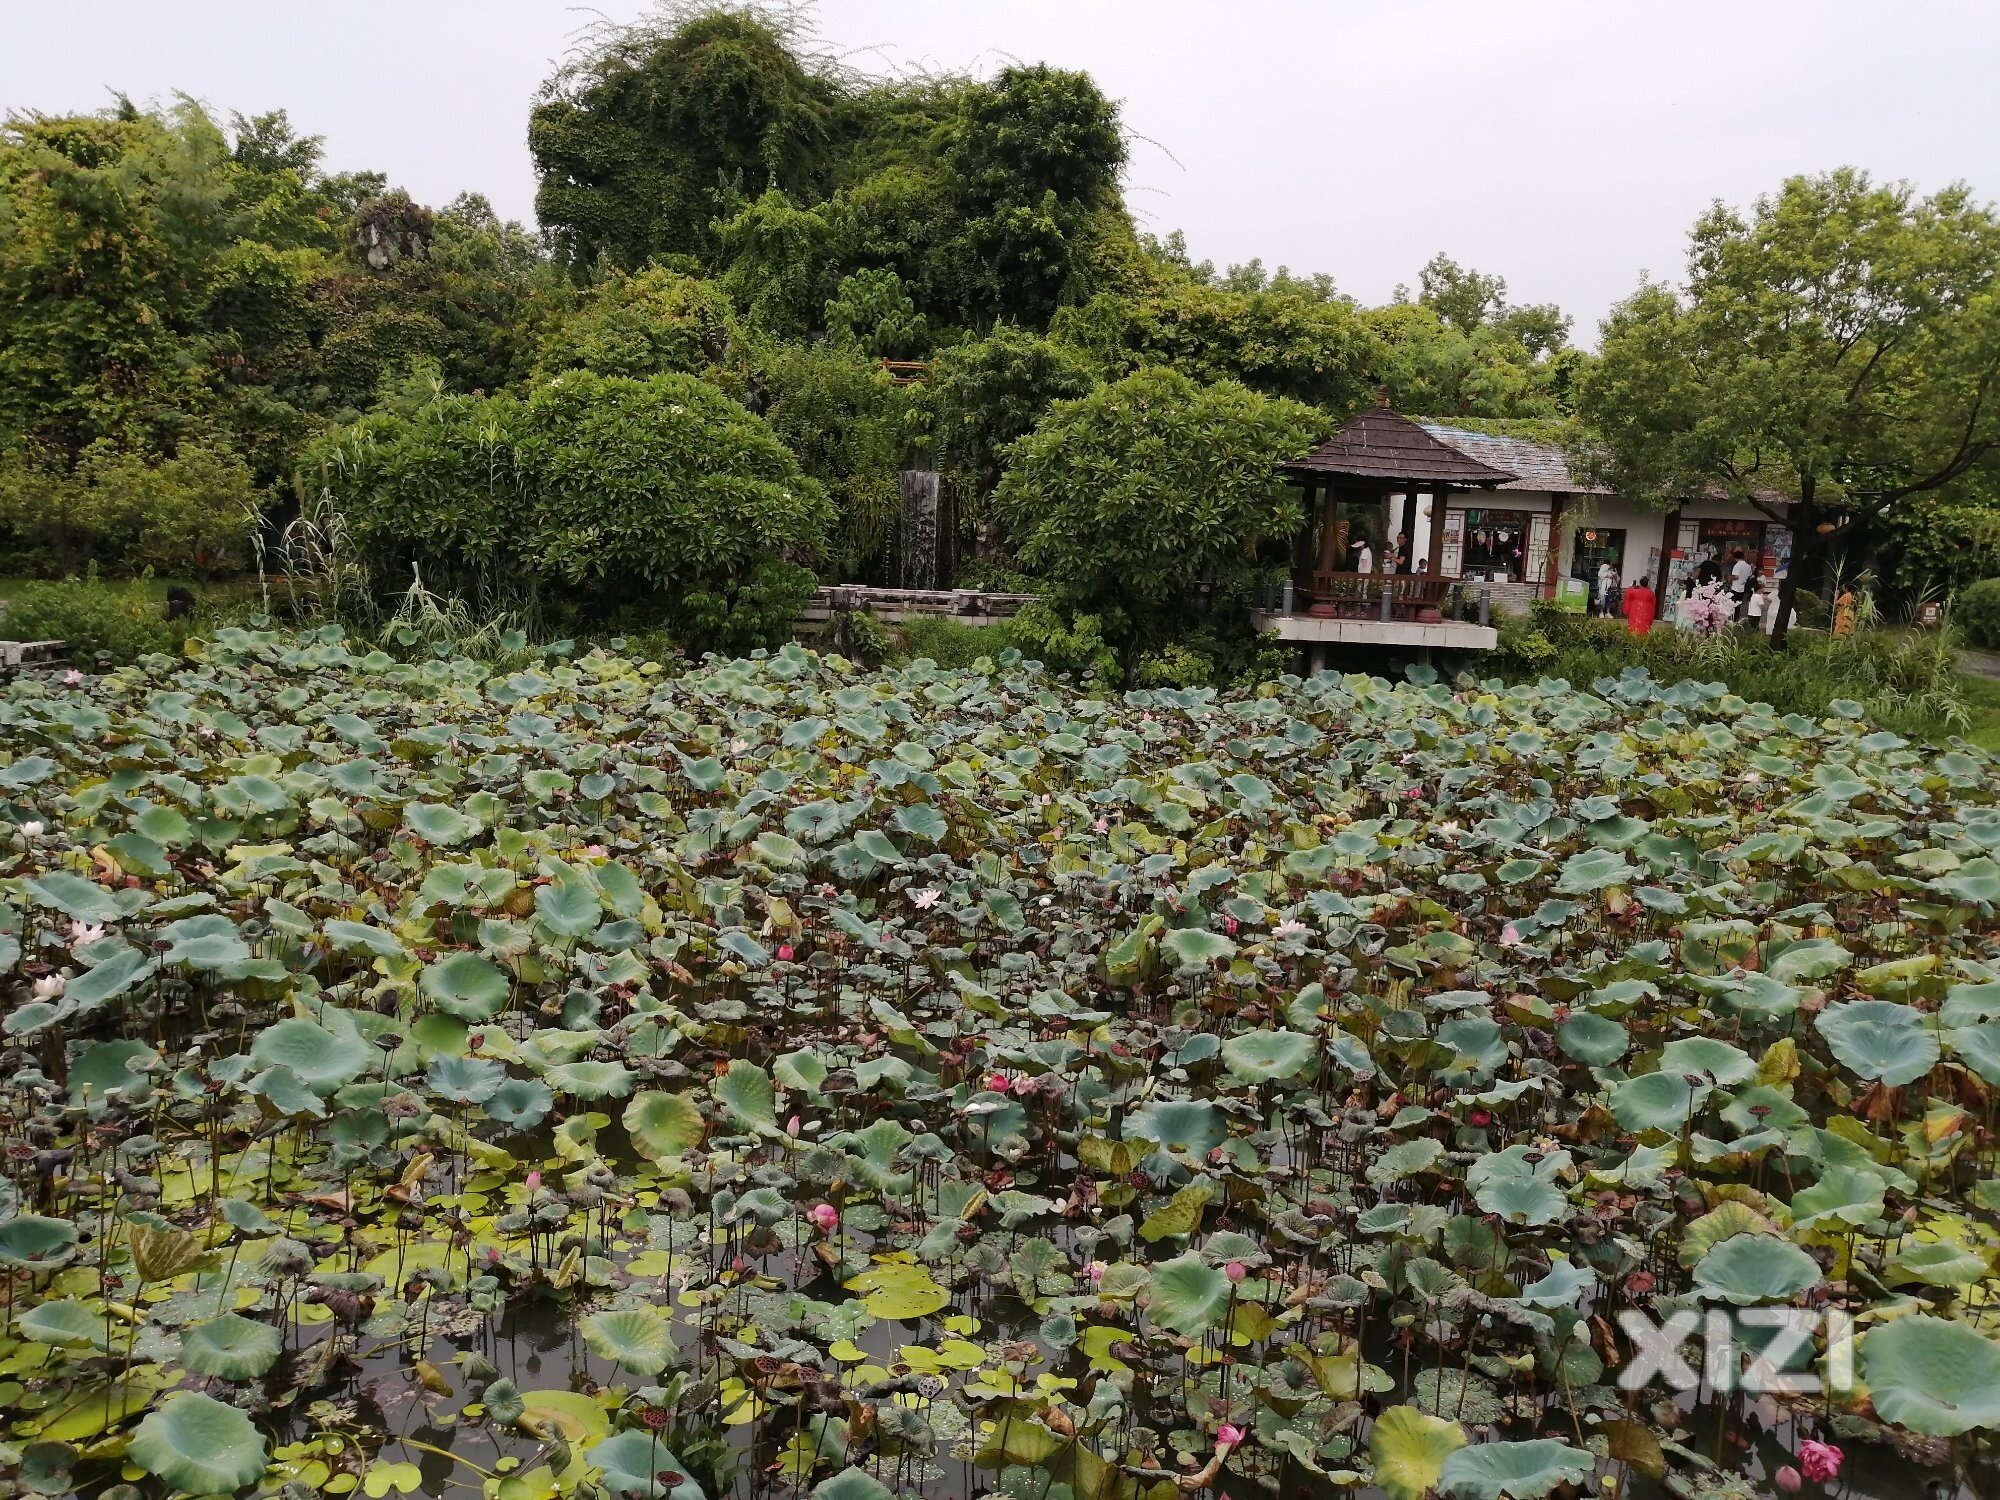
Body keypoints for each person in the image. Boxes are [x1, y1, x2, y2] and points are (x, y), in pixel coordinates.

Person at [1728, 549, 1754, 619]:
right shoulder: (1748, 566)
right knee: (1738, 605)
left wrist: (1729, 577)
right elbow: (1749, 575)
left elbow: (1736, 576)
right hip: (1742, 588)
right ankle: (1736, 619)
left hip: (1735, 588)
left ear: (1735, 557)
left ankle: (1732, 619)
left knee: (1733, 605)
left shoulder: (1737, 565)